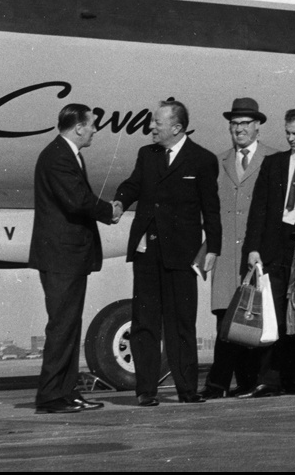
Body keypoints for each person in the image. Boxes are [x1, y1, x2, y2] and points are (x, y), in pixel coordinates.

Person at [114, 98, 221, 406]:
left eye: (157, 123)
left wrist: (213, 247)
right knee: (145, 322)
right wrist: (121, 201)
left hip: (182, 254)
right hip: (148, 251)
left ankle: (187, 389)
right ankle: (146, 390)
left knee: (181, 323)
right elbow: (134, 184)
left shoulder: (202, 159)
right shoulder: (147, 154)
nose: (151, 127)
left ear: (176, 127)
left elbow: (210, 209)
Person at [29, 104, 118, 414]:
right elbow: (77, 200)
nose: (94, 130)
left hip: (67, 256)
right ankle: (52, 396)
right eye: (92, 125)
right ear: (79, 127)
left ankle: (66, 394)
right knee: (62, 326)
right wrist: (110, 211)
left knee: (68, 325)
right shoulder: (58, 156)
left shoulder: (66, 154)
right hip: (61, 256)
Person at [240, 108, 295, 397]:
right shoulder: (274, 163)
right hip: (274, 247)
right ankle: (270, 378)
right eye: (287, 133)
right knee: (273, 313)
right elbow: (259, 207)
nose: (290, 138)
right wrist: (253, 248)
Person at [202, 98, 275, 399]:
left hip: (256, 254)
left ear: (258, 126)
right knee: (226, 321)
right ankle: (223, 383)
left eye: (245, 124)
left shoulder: (273, 160)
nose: (239, 130)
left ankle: (245, 381)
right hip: (227, 256)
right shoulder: (219, 162)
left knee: (254, 318)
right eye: (234, 124)